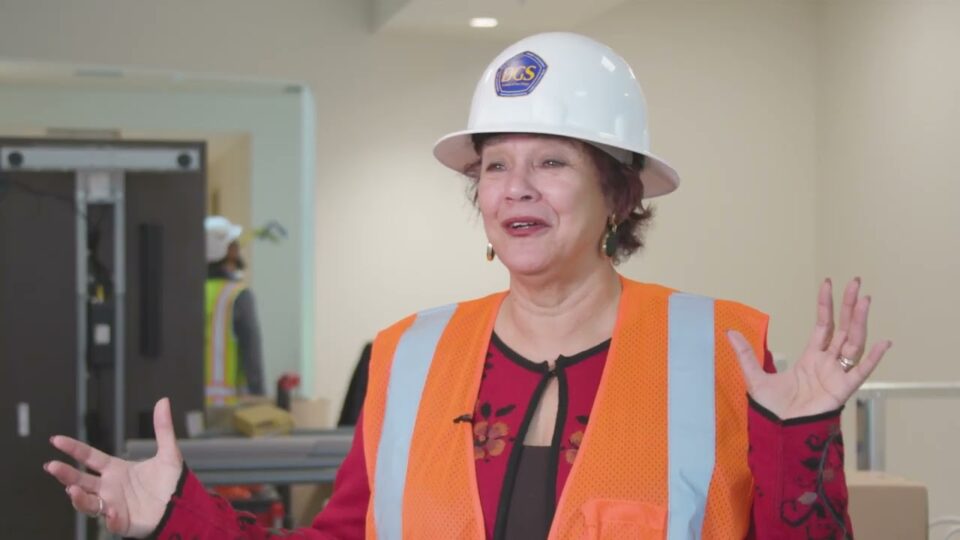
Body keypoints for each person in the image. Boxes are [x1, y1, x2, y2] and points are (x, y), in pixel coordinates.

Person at [45, 32, 891, 539]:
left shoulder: (720, 352)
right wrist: (177, 515)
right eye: (494, 166)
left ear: (618, 194)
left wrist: (801, 439)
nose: (515, 189)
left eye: (551, 162)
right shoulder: (409, 355)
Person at [203, 215, 265, 406]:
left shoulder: (190, 293)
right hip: (227, 408)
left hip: (190, 408)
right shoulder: (238, 295)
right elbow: (252, 355)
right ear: (229, 251)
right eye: (234, 243)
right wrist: (260, 399)